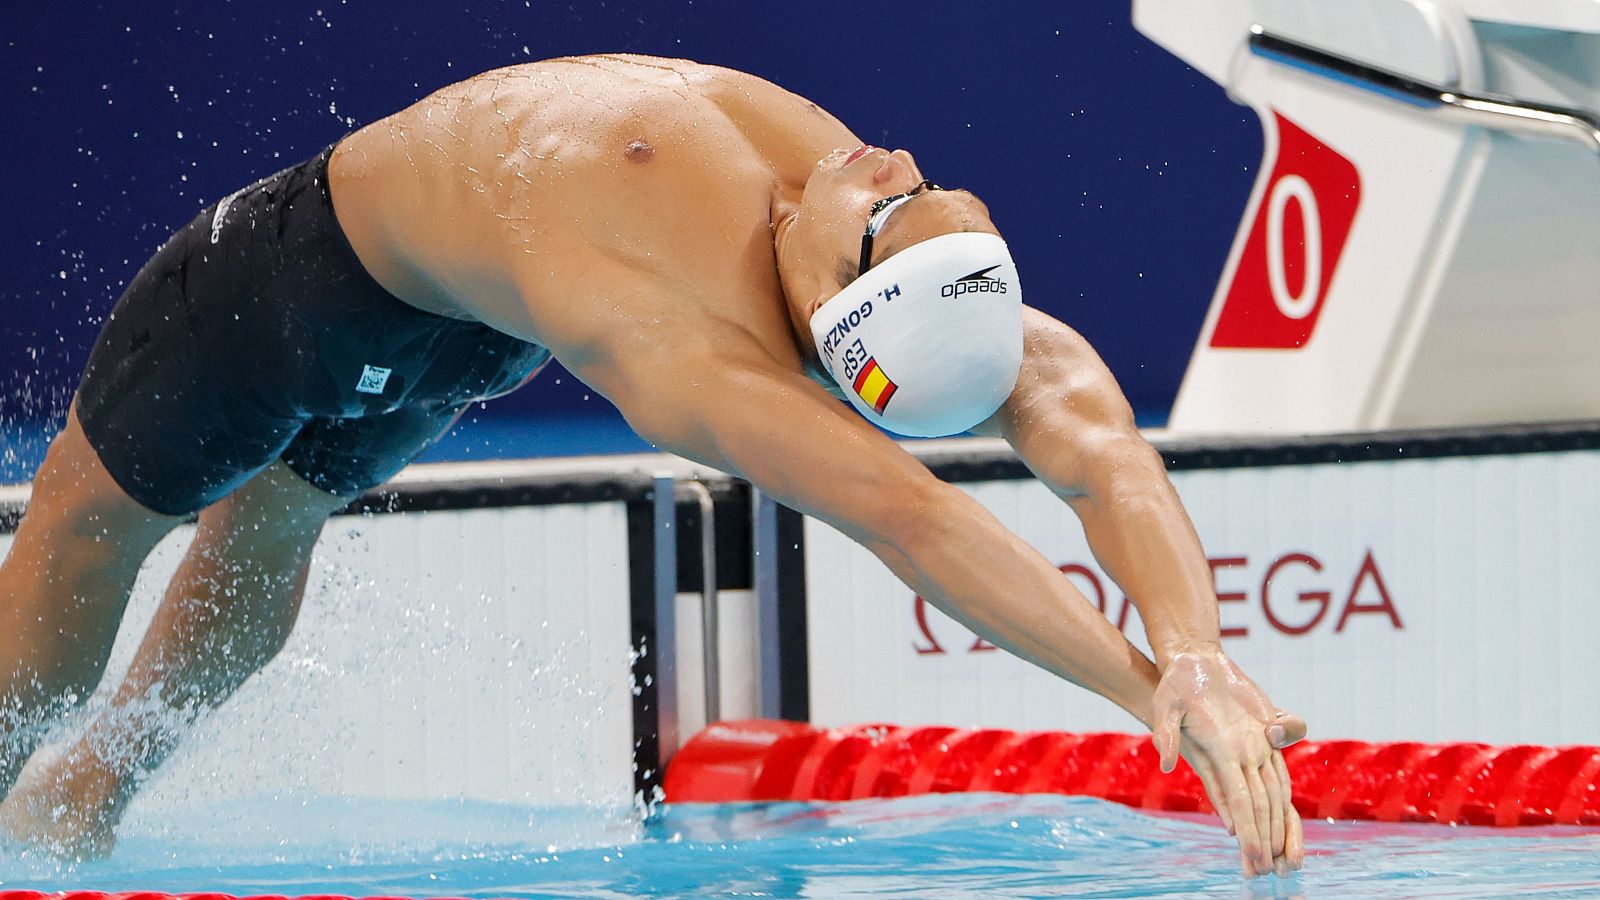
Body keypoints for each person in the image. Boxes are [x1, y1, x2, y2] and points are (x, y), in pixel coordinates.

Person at [0, 54, 1306, 875]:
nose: (886, 168)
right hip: (447, 313)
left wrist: (1163, 679)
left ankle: (48, 785)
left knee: (81, 523)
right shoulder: (882, 256)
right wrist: (1174, 664)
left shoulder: (691, 351)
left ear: (828, 327)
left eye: (884, 208)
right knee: (274, 518)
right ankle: (74, 795)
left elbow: (950, 506)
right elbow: (1055, 456)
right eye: (919, 197)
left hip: (307, 290)